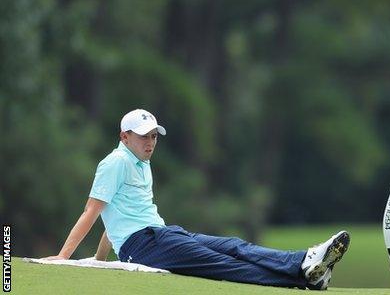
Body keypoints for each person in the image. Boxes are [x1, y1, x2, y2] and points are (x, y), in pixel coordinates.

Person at [43, 109, 350, 290]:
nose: (150, 142)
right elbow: (91, 211)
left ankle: (306, 269)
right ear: (124, 137)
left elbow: (112, 223)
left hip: (161, 235)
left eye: (153, 136)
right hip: (145, 246)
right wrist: (63, 257)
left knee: (234, 245)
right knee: (222, 264)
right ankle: (303, 271)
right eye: (143, 136)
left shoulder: (140, 163)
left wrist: (99, 263)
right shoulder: (116, 163)